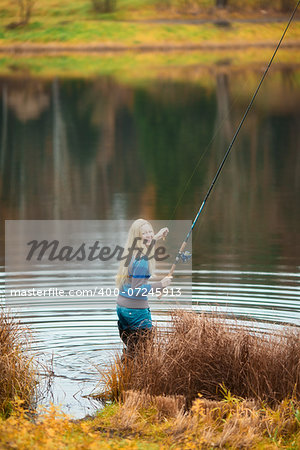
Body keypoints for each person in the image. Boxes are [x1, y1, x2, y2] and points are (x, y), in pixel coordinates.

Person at [116, 218, 172, 357]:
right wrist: (161, 285)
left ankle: (125, 376)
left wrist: (157, 236)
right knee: (144, 354)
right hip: (136, 312)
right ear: (137, 237)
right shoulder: (142, 261)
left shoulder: (131, 252)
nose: (149, 235)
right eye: (144, 233)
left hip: (122, 309)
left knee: (132, 351)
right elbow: (137, 290)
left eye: (150, 231)